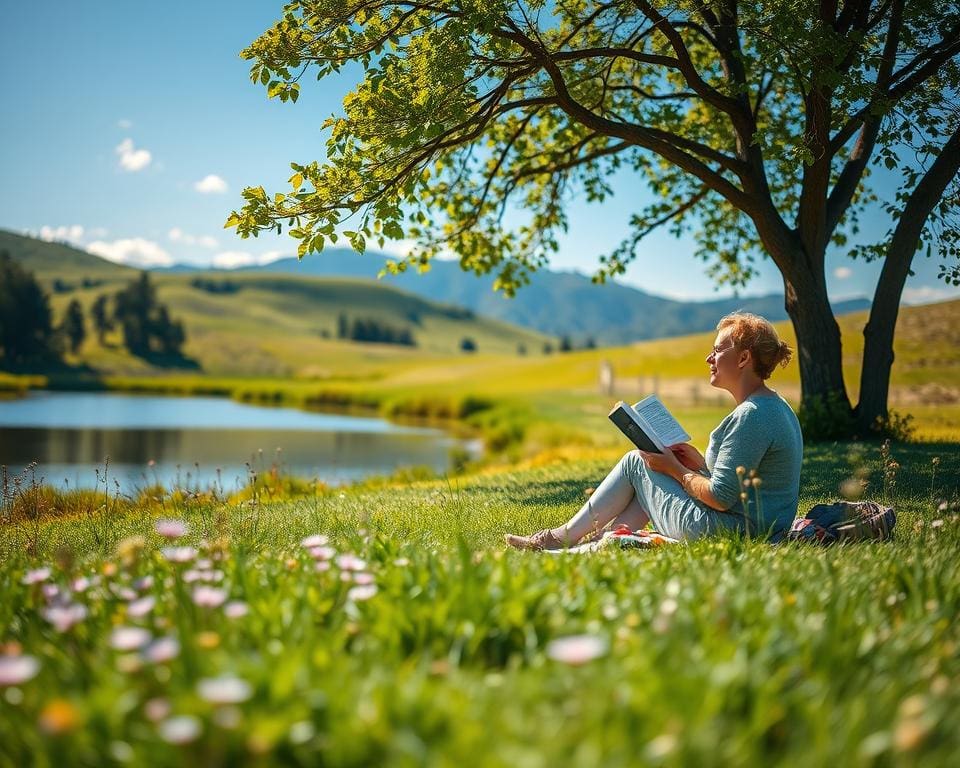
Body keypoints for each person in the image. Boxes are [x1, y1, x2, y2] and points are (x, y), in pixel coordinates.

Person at [506, 312, 802, 549]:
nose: (708, 359)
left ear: (743, 359)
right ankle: (594, 543)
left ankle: (561, 537)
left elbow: (721, 497)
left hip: (730, 533)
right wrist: (697, 463)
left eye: (717, 351)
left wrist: (674, 468)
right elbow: (745, 484)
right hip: (758, 527)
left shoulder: (751, 415)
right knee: (650, 465)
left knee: (638, 461)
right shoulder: (775, 407)